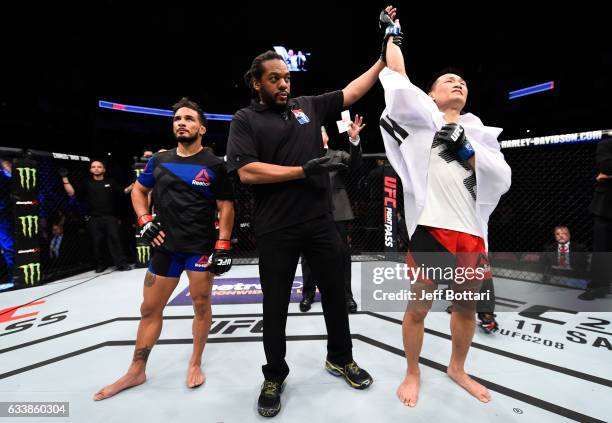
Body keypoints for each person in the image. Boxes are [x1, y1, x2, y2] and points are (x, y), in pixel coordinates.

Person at [227, 42, 387, 416]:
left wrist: (381, 57)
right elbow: (247, 171)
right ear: (256, 83)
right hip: (276, 228)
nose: (284, 84)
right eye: (274, 79)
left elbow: (353, 91)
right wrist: (303, 171)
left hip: (319, 222)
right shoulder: (245, 120)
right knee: (275, 305)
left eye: (286, 77)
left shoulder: (307, 106)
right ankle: (274, 374)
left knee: (335, 294)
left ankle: (340, 358)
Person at [378, 6, 511, 406]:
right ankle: (413, 371)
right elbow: (398, 78)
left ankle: (457, 368)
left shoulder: (481, 132)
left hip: (470, 233)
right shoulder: (422, 121)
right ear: (432, 94)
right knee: (418, 307)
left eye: (463, 81)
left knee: (467, 308)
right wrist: (391, 32)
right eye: (447, 80)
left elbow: (501, 178)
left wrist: (467, 148)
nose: (457, 83)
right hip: (433, 228)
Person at [93, 97, 235, 401]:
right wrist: (144, 220)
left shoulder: (213, 164)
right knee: (149, 309)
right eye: (177, 119)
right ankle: (136, 370)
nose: (181, 122)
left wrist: (223, 244)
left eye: (188, 118)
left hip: (199, 248)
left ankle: (195, 362)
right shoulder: (159, 160)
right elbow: (139, 191)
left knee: (200, 305)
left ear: (201, 127)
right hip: (165, 247)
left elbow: (226, 206)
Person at [300, 120, 364, 314]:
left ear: (326, 136)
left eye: (319, 131)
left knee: (342, 255)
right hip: (310, 212)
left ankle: (347, 296)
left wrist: (354, 141)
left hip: (337, 212)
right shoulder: (302, 157)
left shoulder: (338, 155)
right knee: (308, 256)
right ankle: (308, 294)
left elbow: (356, 166)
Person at [61, 160, 130, 272]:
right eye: (94, 167)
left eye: (99, 166)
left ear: (104, 169)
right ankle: (101, 265)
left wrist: (135, 184)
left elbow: (123, 192)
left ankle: (121, 264)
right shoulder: (87, 183)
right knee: (97, 242)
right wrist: (64, 178)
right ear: (90, 170)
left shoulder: (110, 182)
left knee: (115, 240)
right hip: (93, 218)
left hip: (110, 217)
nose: (96, 168)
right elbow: (72, 193)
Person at [582, 138, 612, 300]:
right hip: (607, 206)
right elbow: (606, 166)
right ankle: (599, 286)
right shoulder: (606, 144)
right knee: (602, 248)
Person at [0, 158, 14, 287]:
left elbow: (10, 177)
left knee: (8, 247)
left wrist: (5, 166)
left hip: (3, 215)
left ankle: (14, 278)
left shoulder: (4, 175)